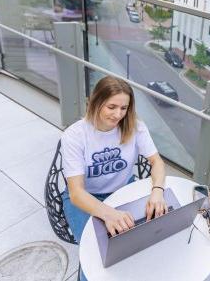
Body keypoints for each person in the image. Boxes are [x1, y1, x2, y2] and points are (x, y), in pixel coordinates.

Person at [61, 76, 167, 246]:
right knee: (97, 251)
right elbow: (76, 192)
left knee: (144, 238)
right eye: (112, 107)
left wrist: (157, 191)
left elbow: (157, 162)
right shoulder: (75, 136)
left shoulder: (136, 127)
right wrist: (108, 213)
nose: (118, 114)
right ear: (96, 102)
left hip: (123, 190)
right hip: (86, 198)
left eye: (124, 108)